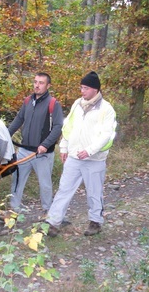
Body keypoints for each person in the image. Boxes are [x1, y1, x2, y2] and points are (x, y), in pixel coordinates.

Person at [45, 71, 116, 237]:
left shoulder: (107, 109)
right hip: (74, 156)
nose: (82, 91)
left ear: (95, 89)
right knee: (64, 189)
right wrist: (64, 147)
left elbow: (106, 134)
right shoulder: (77, 104)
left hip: (95, 159)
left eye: (85, 88)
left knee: (94, 191)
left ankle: (95, 221)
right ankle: (53, 222)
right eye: (81, 87)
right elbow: (68, 127)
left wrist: (90, 150)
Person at [7, 72, 64, 214]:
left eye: (41, 83)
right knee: (17, 179)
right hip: (24, 151)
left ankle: (48, 212)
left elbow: (58, 127)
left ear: (48, 85)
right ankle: (14, 210)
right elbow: (19, 119)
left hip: (42, 153)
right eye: (35, 82)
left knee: (45, 184)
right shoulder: (27, 101)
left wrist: (45, 145)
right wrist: (6, 135)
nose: (37, 85)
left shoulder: (53, 104)